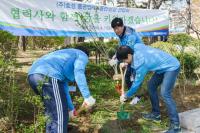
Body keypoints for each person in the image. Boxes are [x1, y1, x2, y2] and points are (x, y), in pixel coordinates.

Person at [27, 46, 96, 133]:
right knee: (60, 117)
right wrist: (87, 96)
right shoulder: (81, 54)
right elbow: (79, 71)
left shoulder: (62, 59)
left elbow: (64, 89)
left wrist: (71, 109)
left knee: (51, 114)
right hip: (48, 76)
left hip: (32, 76)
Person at [116, 45, 181, 133]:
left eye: (124, 60)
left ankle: (176, 126)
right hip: (161, 68)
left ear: (129, 56)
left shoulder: (141, 64)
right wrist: (126, 62)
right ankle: (156, 114)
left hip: (171, 66)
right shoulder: (135, 47)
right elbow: (132, 49)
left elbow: (136, 85)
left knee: (165, 93)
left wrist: (126, 95)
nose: (124, 62)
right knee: (151, 86)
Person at [110, 17, 143, 102]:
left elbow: (128, 49)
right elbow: (122, 47)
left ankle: (138, 97)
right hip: (130, 56)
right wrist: (115, 56)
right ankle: (130, 94)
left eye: (117, 28)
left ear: (122, 26)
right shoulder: (121, 34)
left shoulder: (130, 34)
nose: (116, 31)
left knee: (135, 77)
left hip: (137, 56)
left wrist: (118, 59)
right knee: (127, 76)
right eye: (114, 29)